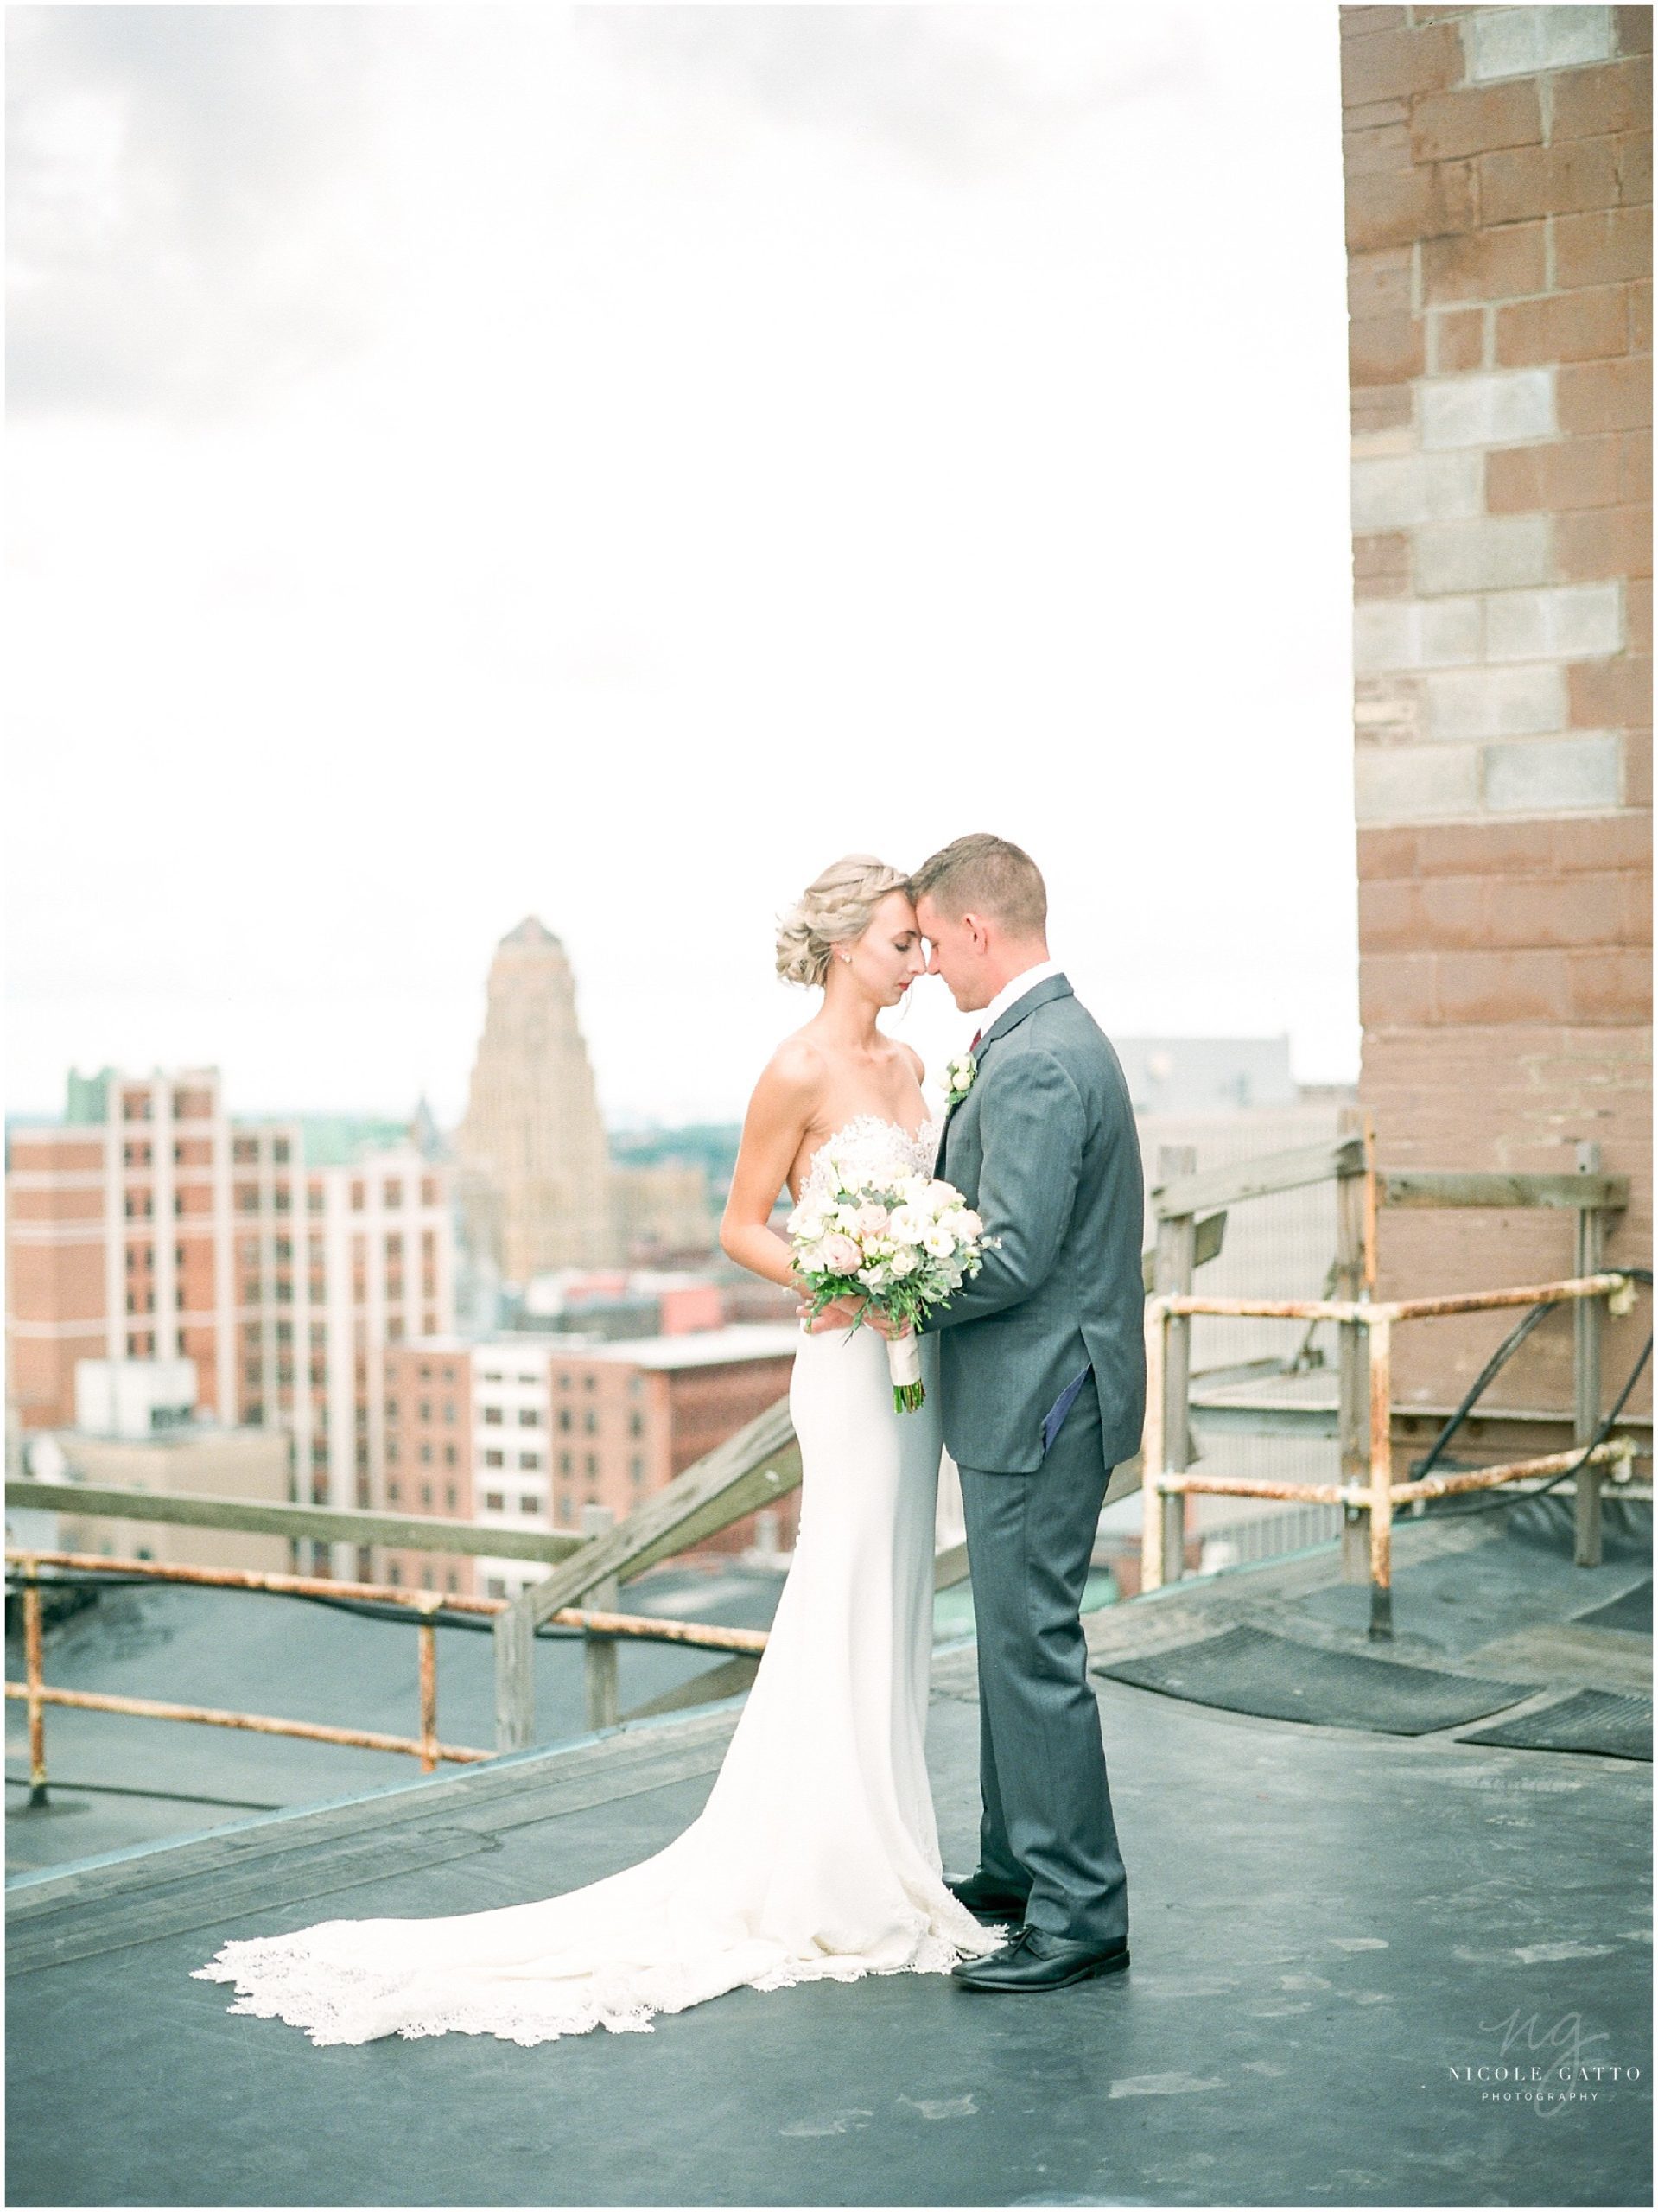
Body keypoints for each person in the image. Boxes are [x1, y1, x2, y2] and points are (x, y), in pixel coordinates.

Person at [191, 854, 997, 2047]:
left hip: (915, 1370)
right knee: (839, 1592)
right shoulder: (799, 1067)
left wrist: (909, 1273)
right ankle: (832, 1873)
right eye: (900, 943)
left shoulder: (913, 1065)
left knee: (894, 1600)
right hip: (843, 1361)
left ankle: (891, 1853)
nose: (919, 964)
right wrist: (846, 1274)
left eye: (924, 944)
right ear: (840, 947)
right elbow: (737, 1226)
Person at [906, 832, 1145, 1993]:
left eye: (937, 943)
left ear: (979, 931)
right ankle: (1015, 1870)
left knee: (1034, 1645)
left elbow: (1008, 1259)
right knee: (1010, 1640)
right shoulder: (1036, 1041)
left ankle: (1081, 1912)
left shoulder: (1039, 1059)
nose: (932, 967)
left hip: (1043, 1402)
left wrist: (887, 1285)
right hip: (1033, 1396)